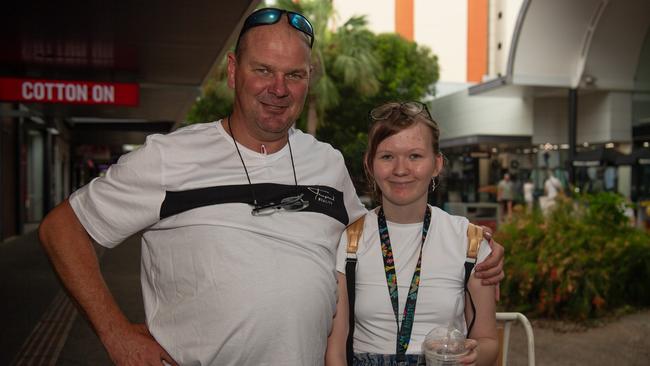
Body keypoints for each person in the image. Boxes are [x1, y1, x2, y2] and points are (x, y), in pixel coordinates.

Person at [38, 8, 505, 366]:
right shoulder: (170, 156)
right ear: (232, 71)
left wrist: (471, 243)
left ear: (308, 82)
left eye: (294, 75)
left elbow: (381, 239)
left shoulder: (325, 162)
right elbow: (63, 228)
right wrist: (115, 333)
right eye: (263, 70)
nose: (277, 88)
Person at [325, 102, 497, 366]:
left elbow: (487, 340)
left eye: (415, 156)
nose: (401, 169)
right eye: (387, 156)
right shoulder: (350, 240)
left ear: (436, 164)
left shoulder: (470, 243)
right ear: (369, 164)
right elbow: (336, 350)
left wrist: (472, 357)